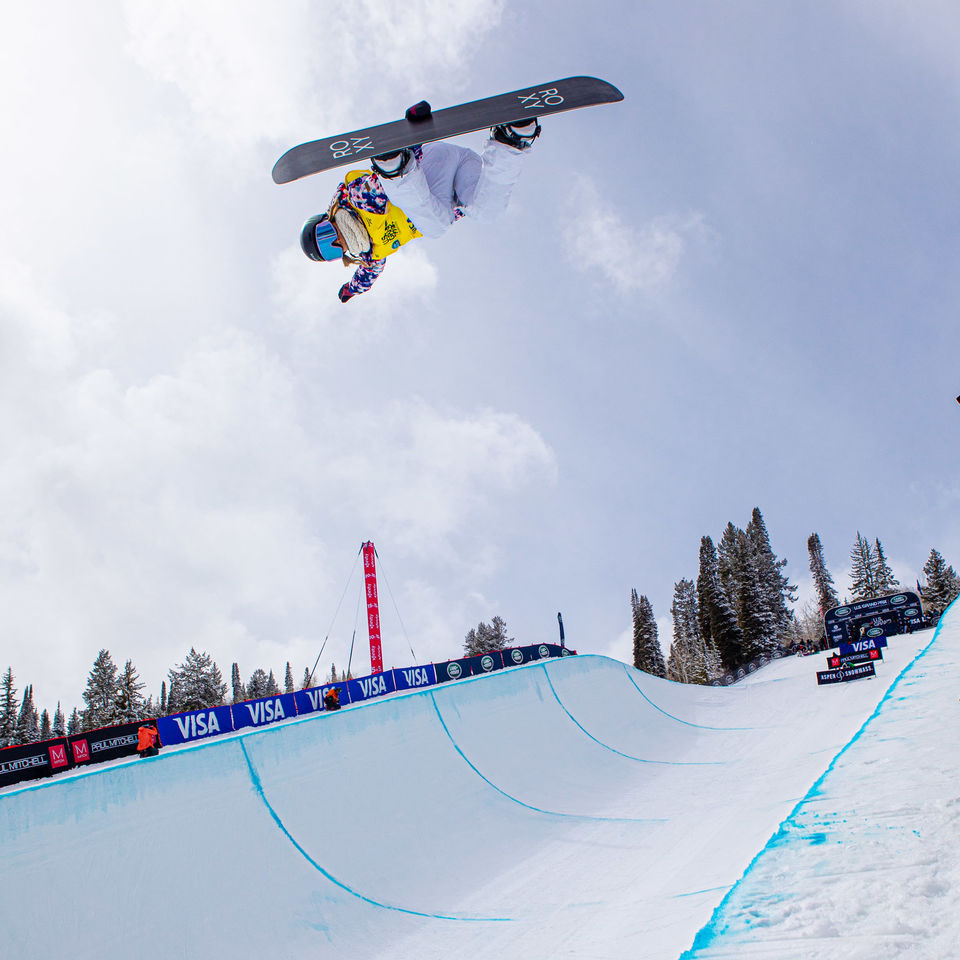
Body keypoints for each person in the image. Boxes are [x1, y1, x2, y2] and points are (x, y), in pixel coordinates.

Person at [299, 117, 541, 301]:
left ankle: (395, 165)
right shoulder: (373, 254)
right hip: (456, 179)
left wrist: (407, 146)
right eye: (330, 251)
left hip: (423, 167)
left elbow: (376, 187)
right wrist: (352, 289)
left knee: (436, 227)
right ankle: (512, 140)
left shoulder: (354, 199)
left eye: (325, 234)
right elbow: (367, 275)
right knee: (486, 210)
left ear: (327, 217)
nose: (336, 242)